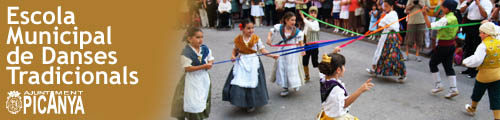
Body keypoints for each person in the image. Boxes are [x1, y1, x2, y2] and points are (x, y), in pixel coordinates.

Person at [222, 20, 279, 112]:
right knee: (239, 81)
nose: (251, 30)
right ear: (243, 29)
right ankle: (241, 101)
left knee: (253, 82)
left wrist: (272, 56)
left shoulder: (256, 39)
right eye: (248, 28)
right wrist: (233, 56)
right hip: (242, 62)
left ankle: (251, 103)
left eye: (252, 28)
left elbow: (263, 50)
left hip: (253, 62)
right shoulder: (238, 39)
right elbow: (235, 50)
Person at [171, 27, 214, 120]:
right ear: (189, 39)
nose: (200, 40)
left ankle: (199, 116)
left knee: (201, 99)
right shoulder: (186, 52)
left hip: (203, 79)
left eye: (202, 37)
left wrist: (210, 63)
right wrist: (203, 66)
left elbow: (211, 58)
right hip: (191, 79)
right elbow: (188, 68)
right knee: (191, 100)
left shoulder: (205, 49)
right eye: (197, 37)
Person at [316, 52, 375, 120]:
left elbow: (326, 65)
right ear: (338, 70)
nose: (344, 68)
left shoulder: (323, 79)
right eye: (343, 66)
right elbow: (344, 104)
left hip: (328, 114)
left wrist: (334, 53)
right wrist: (360, 90)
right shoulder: (336, 89)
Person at [423, 0, 460, 99]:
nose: (441, 9)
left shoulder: (446, 19)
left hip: (443, 45)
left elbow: (430, 26)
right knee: (448, 66)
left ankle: (438, 85)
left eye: (442, 7)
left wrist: (425, 15)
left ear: (447, 9)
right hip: (451, 45)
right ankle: (453, 88)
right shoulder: (454, 17)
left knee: (433, 63)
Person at [462, 22, 500, 120]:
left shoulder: (483, 45)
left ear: (486, 34)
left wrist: (466, 62)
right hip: (497, 74)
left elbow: (477, 60)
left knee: (477, 92)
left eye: (481, 33)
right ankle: (497, 117)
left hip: (485, 75)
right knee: (496, 97)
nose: (480, 35)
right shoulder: (498, 41)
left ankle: (473, 108)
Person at [366, 0, 407, 82]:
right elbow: (380, 24)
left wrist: (382, 20)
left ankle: (402, 74)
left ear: (391, 6)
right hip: (385, 35)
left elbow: (381, 24)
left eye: (386, 6)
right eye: (384, 6)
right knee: (380, 52)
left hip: (391, 37)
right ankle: (375, 69)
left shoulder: (393, 14)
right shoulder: (387, 14)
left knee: (394, 55)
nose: (385, 8)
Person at [267, 12, 306, 96]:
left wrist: (302, 50)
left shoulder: (297, 32)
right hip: (282, 51)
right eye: (292, 20)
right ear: (286, 20)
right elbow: (271, 31)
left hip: (292, 52)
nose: (294, 22)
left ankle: (295, 84)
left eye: (294, 20)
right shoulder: (280, 28)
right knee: (282, 68)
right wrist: (269, 38)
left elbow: (300, 42)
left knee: (292, 68)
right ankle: (285, 87)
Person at [459, 0, 493, 78]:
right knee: (468, 46)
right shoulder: (471, 2)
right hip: (469, 24)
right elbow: (461, 11)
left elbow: (485, 15)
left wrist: (478, 4)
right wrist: (468, 3)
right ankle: (469, 68)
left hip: (478, 25)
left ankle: (475, 70)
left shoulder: (486, 2)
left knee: (476, 47)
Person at [300, 6, 321, 81]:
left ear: (316, 15)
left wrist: (303, 18)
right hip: (307, 45)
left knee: (315, 63)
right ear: (309, 13)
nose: (313, 14)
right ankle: (307, 76)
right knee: (304, 62)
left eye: (315, 13)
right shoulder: (307, 22)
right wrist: (300, 41)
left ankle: (323, 73)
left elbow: (312, 27)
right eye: (311, 13)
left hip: (314, 46)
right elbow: (304, 32)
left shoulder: (316, 22)